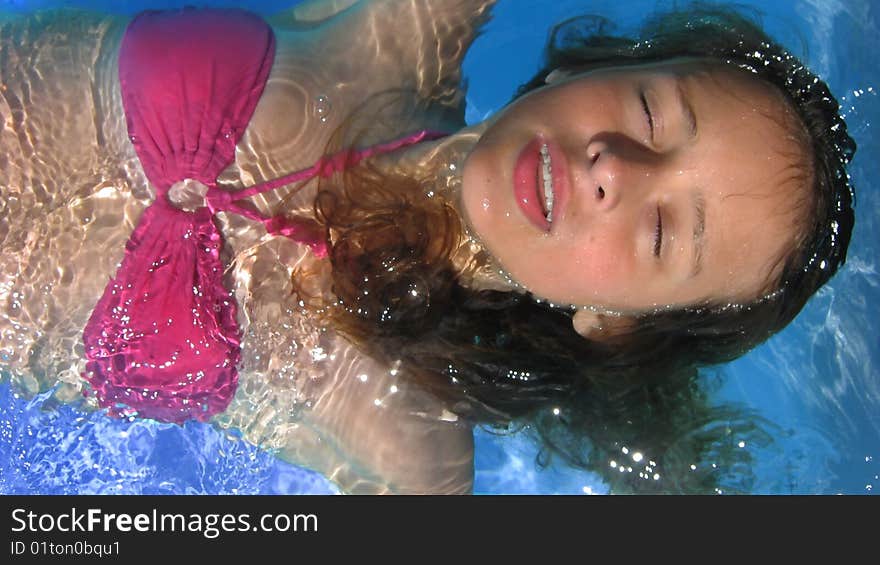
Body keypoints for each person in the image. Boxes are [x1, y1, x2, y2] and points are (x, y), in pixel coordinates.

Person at [0, 0, 855, 494]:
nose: (614, 171)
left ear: (614, 321)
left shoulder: (409, 439)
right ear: (580, 70)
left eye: (664, 230)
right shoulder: (404, 30)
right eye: (649, 112)